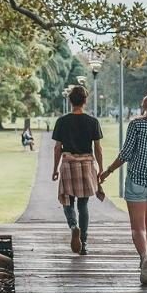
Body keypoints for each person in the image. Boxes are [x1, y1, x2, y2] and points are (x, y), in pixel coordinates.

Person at [100, 87, 147, 285]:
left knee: (138, 227)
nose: (143, 98)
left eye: (146, 96)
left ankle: (145, 259)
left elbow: (125, 154)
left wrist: (108, 171)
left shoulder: (136, 125)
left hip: (137, 182)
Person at [51, 85, 104, 255]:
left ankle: (73, 226)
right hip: (86, 164)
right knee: (83, 204)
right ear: (85, 101)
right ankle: (84, 242)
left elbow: (57, 148)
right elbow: (98, 148)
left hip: (68, 164)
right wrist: (100, 169)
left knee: (67, 201)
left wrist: (55, 168)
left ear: (70, 101)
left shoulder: (62, 121)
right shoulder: (93, 122)